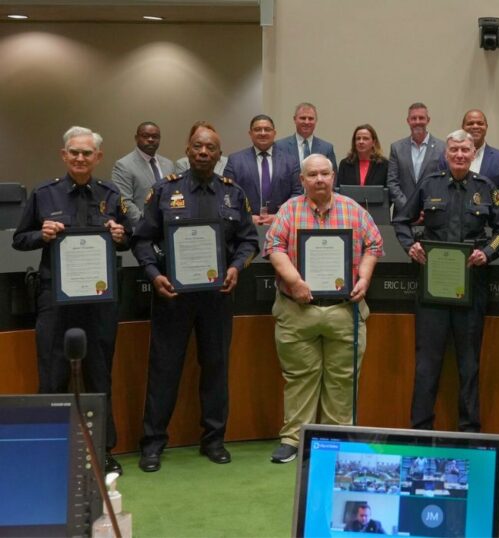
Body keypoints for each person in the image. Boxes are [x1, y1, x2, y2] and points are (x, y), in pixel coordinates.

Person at [132, 121, 259, 472]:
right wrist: (154, 275)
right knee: (164, 369)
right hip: (172, 296)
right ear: (188, 151)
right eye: (198, 147)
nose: (204, 153)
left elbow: (250, 241)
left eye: (211, 149)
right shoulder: (163, 191)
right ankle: (153, 444)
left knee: (216, 369)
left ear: (220, 155)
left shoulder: (234, 194)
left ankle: (214, 439)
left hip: (217, 297)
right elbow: (141, 239)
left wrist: (236, 267)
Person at [13, 125, 130, 476]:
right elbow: (20, 239)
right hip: (56, 299)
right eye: (74, 153)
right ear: (64, 156)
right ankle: (48, 450)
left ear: (98, 157)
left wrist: (122, 235)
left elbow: (128, 239)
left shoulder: (111, 195)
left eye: (87, 153)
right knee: (52, 374)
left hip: (99, 301)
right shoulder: (45, 194)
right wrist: (42, 235)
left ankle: (102, 452)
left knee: (99, 375)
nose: (80, 158)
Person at [265, 154, 383, 464]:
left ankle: (336, 438)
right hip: (296, 309)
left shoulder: (353, 210)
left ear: (333, 177)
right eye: (312, 175)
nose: (319, 179)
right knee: (300, 376)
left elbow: (374, 245)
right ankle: (294, 439)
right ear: (302, 180)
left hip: (344, 309)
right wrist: (294, 281)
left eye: (324, 174)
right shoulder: (289, 211)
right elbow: (274, 248)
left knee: (342, 378)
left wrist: (365, 278)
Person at [392, 129, 499, 432]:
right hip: (433, 288)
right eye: (454, 150)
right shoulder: (429, 184)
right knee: (427, 363)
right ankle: (420, 428)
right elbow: (401, 219)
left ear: (473, 154)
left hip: (471, 286)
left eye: (465, 151)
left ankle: (469, 430)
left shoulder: (486, 188)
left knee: (469, 364)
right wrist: (410, 246)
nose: (459, 155)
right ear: (446, 153)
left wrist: (488, 252)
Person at [223, 114, 302, 225]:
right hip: (245, 227)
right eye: (257, 129)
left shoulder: (290, 161)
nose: (263, 133)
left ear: (274, 133)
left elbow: (297, 194)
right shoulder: (235, 160)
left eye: (267, 129)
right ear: (250, 134)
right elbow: (227, 195)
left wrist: (279, 216)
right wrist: (247, 217)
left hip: (282, 224)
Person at [112, 121, 175, 227]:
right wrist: (146, 225)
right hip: (141, 232)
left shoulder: (169, 164)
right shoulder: (123, 165)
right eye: (145, 136)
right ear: (136, 138)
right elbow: (125, 202)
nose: (150, 140)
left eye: (155, 136)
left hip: (168, 228)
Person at [386, 102, 445, 210]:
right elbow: (392, 183)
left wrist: (427, 207)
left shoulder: (442, 148)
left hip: (432, 212)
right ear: (408, 121)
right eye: (414, 118)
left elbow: (443, 183)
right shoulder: (396, 148)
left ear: (428, 120)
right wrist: (408, 209)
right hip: (402, 215)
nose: (417, 122)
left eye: (421, 118)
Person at [458, 109, 499, 203]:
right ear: (463, 127)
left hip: (489, 216)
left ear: (486, 127)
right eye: (470, 123)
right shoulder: (448, 158)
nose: (475, 126)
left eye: (480, 123)